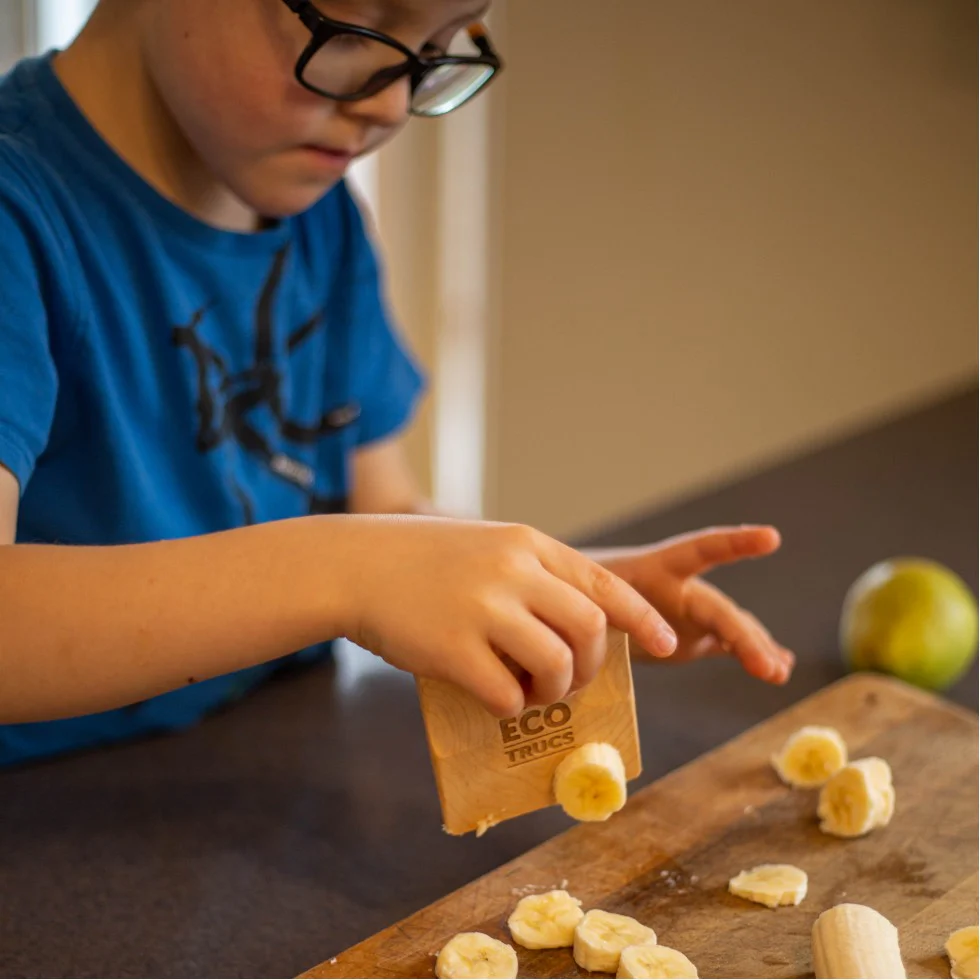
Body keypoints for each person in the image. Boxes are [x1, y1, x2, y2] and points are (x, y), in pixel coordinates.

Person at [0, 0, 794, 768]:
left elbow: (385, 512)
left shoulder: (322, 219)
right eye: (354, 29)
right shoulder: (19, 215)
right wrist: (348, 571)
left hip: (260, 765)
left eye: (435, 48)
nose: (390, 105)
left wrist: (560, 593)